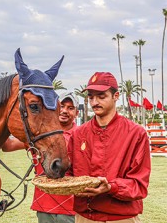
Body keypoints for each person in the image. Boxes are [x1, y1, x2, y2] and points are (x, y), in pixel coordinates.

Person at [69, 72, 151, 223]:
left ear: (116, 96)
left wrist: (112, 187)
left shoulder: (136, 134)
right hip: (85, 217)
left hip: (121, 217)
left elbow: (139, 185)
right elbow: (68, 174)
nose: (95, 102)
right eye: (91, 97)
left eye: (101, 96)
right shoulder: (78, 134)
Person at [2, 91, 80, 223]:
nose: (65, 111)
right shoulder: (40, 136)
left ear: (77, 113)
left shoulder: (81, 135)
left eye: (71, 108)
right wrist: (2, 117)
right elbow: (7, 146)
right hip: (44, 205)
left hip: (71, 208)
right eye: (61, 106)